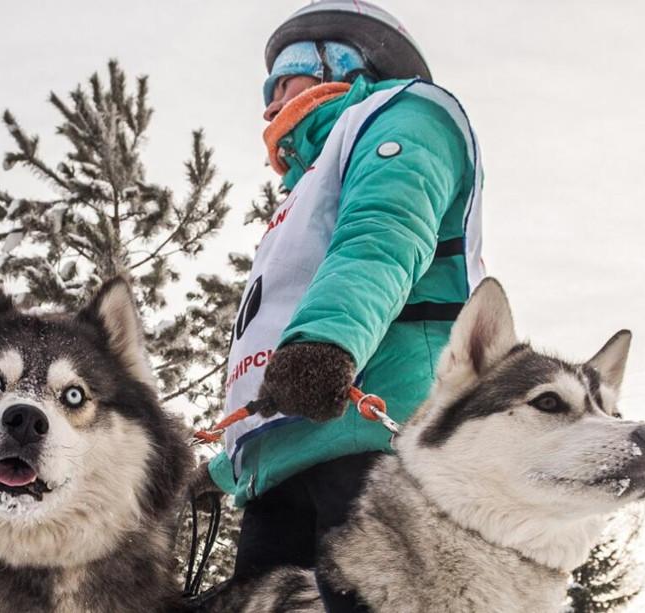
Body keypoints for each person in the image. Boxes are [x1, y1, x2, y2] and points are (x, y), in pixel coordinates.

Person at [205, 1, 485, 610]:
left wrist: (324, 346)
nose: (272, 100)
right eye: (267, 85)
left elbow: (384, 233)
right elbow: (268, 337)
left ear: (349, 62)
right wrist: (219, 469)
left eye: (290, 74)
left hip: (378, 442)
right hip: (280, 468)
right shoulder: (301, 194)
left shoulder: (404, 116)